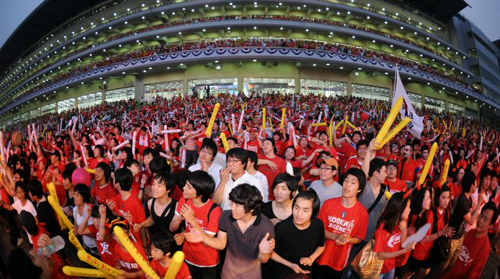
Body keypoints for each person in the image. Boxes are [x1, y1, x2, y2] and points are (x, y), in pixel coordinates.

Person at [192, 184, 276, 279]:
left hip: (251, 275)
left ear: (252, 208)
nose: (233, 208)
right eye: (232, 203)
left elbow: (263, 260)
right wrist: (203, 237)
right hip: (227, 274)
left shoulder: (265, 226)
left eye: (237, 205)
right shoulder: (226, 216)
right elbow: (221, 244)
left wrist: (264, 253)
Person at [314, 168, 369, 279]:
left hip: (340, 261)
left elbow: (359, 238)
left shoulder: (362, 213)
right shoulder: (328, 204)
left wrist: (348, 239)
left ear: (359, 189)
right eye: (346, 181)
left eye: (353, 182)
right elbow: (319, 230)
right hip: (320, 256)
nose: (347, 185)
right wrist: (336, 236)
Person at [169, 170, 222, 279]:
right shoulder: (184, 200)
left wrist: (192, 221)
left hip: (207, 263)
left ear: (200, 193)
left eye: (189, 187)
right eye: (186, 185)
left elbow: (207, 242)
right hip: (188, 256)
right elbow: (172, 228)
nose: (184, 188)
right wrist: (180, 221)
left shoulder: (214, 211)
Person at [266, 190, 325, 279]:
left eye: (305, 210)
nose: (299, 214)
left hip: (304, 272)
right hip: (281, 270)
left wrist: (311, 258)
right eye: (296, 208)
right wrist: (290, 265)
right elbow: (270, 253)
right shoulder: (281, 227)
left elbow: (321, 246)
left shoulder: (318, 225)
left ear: (313, 211)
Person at [436, 171, 484, 277]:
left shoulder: (468, 199)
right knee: (444, 264)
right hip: (452, 237)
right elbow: (471, 220)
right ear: (471, 185)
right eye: (476, 183)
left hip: (460, 236)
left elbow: (471, 214)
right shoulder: (462, 200)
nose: (477, 185)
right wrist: (480, 203)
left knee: (452, 264)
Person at [443, 201, 498, 279]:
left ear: (490, 226)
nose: (481, 221)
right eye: (481, 215)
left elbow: (473, 275)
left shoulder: (485, 248)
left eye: (485, 219)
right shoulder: (470, 232)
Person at [374, 193, 414, 279]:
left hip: (391, 267)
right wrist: (404, 251)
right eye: (408, 207)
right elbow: (381, 255)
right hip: (378, 269)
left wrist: (404, 233)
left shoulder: (403, 222)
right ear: (400, 208)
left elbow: (402, 244)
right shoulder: (384, 227)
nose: (410, 210)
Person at [107, 168, 147, 246]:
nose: (112, 180)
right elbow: (119, 216)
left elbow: (143, 226)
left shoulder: (136, 203)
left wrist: (145, 245)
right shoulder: (118, 198)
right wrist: (112, 210)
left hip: (136, 242)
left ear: (118, 184)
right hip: (126, 240)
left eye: (114, 178)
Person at [73, 183, 99, 256]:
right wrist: (75, 229)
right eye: (74, 194)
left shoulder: (89, 210)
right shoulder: (75, 209)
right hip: (86, 244)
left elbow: (95, 233)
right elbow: (75, 224)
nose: (75, 197)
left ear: (84, 197)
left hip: (96, 245)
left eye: (78, 195)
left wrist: (80, 231)